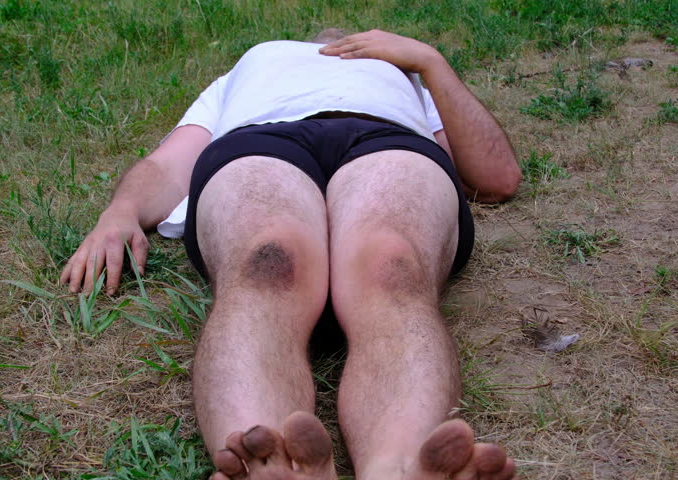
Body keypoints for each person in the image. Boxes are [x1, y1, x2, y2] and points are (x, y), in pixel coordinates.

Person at [61, 28, 521, 480]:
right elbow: (168, 164)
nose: (337, 35)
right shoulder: (249, 67)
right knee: (267, 261)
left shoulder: (405, 76)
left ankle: (399, 469)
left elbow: (496, 177)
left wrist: (428, 62)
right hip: (262, 137)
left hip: (388, 137)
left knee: (391, 266)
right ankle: (272, 462)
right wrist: (120, 212)